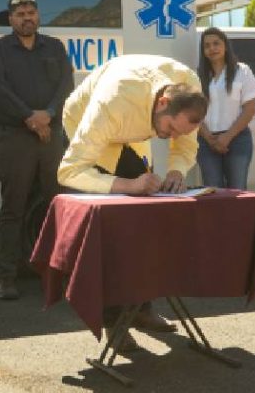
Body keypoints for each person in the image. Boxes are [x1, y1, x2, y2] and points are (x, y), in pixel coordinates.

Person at [58, 54, 208, 351]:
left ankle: (141, 308)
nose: (171, 137)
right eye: (171, 129)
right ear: (163, 103)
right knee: (112, 234)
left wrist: (177, 170)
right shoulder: (111, 102)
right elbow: (69, 171)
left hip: (134, 126)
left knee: (147, 225)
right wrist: (129, 185)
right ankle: (114, 323)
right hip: (90, 131)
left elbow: (186, 143)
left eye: (177, 132)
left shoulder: (188, 86)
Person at [0, 0, 74, 300]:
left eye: (31, 12)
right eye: (20, 14)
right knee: (13, 208)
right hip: (15, 138)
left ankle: (61, 274)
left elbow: (66, 86)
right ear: (11, 19)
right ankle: (6, 277)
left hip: (51, 137)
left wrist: (48, 114)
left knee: (58, 206)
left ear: (38, 16)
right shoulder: (0, 49)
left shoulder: (54, 47)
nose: (27, 18)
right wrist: (29, 117)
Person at [196, 27, 255, 190]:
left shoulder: (242, 71)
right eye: (207, 46)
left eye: (216, 43)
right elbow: (194, 112)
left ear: (225, 45)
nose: (212, 48)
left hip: (237, 139)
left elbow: (249, 110)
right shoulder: (198, 76)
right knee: (213, 192)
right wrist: (209, 138)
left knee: (237, 191)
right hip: (206, 141)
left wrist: (227, 137)